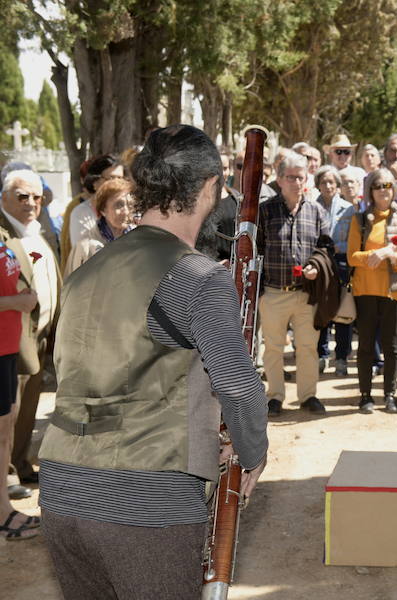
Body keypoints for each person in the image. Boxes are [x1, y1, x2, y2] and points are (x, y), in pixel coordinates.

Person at [38, 125, 268, 598]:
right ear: (209, 187)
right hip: (144, 503)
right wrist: (253, 453)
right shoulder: (197, 276)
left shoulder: (87, 270)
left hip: (63, 492)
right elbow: (239, 387)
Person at [257, 151, 330, 416]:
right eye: (290, 177)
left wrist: (315, 266)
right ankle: (274, 397)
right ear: (279, 179)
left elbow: (326, 249)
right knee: (273, 348)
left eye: (300, 177)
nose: (296, 183)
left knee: (308, 348)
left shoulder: (316, 211)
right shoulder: (265, 211)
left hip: (305, 295)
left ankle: (308, 396)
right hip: (274, 293)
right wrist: (262, 291)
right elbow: (257, 249)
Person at [0, 169, 61, 489]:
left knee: (28, 408)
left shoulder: (34, 229)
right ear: (5, 197)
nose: (31, 203)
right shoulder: (4, 232)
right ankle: (7, 472)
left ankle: (20, 464)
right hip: (14, 336)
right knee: (11, 410)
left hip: (40, 334)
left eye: (37, 197)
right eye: (23, 196)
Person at [347, 168, 397, 413]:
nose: (384, 190)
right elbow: (352, 257)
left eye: (388, 185)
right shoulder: (360, 220)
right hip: (365, 292)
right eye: (378, 186)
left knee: (391, 347)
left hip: (393, 293)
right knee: (364, 346)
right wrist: (374, 255)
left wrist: (388, 254)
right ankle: (365, 395)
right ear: (370, 191)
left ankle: (391, 394)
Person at [0, 204, 40, 540]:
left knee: (5, 431)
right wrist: (15, 302)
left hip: (9, 346)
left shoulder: (3, 235)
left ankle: (4, 509)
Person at [315, 165, 354, 376]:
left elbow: (356, 241)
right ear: (318, 185)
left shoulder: (349, 209)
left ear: (338, 186)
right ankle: (322, 355)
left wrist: (341, 247)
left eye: (331, 182)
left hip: (342, 264)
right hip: (320, 264)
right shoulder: (311, 206)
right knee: (321, 313)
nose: (328, 186)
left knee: (343, 313)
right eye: (323, 182)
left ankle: (341, 358)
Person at [60, 155, 123, 267]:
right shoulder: (81, 213)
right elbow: (85, 255)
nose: (117, 184)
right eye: (111, 178)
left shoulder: (128, 211)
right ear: (95, 182)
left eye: (120, 178)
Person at [64, 178, 135, 276]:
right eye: (119, 205)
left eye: (130, 205)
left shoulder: (137, 237)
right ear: (103, 210)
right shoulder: (88, 245)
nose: (126, 211)